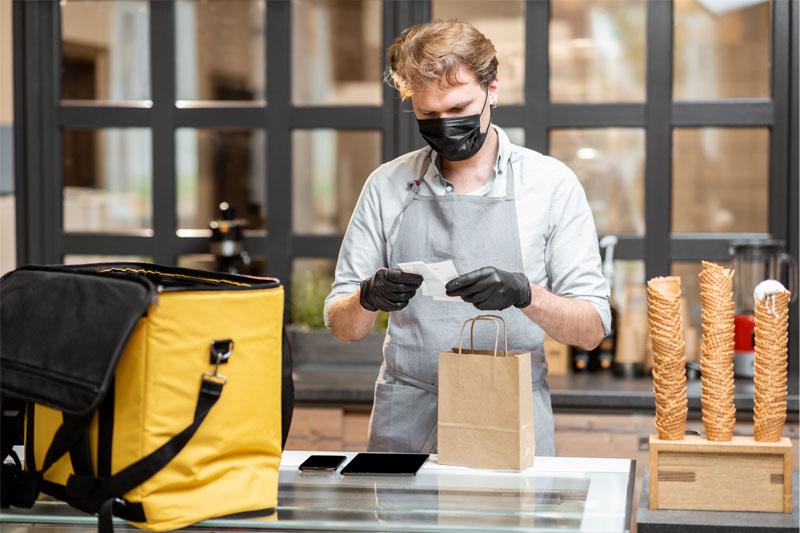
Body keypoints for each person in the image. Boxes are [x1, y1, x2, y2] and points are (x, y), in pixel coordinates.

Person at [324, 19, 610, 456]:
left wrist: (523, 292)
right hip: (407, 414)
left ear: (492, 89)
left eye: (459, 110)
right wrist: (367, 298)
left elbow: (591, 330)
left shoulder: (550, 184)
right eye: (429, 115)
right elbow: (342, 327)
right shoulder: (387, 185)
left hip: (510, 412)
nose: (445, 125)